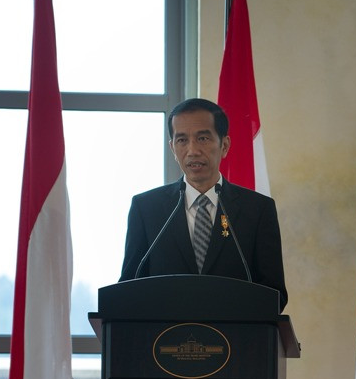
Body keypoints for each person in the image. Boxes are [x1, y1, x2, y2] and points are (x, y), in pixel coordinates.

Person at [120, 98, 288, 310]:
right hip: (164, 340)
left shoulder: (257, 210)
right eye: (182, 140)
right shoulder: (146, 209)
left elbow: (274, 294)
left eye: (203, 138)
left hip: (235, 339)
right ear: (172, 148)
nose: (192, 150)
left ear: (224, 145)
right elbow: (128, 288)